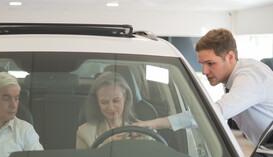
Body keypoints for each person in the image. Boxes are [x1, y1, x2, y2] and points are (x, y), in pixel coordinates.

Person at [134, 28, 273, 146]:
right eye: (202, 64)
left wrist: (153, 124)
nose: (205, 71)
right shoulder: (233, 77)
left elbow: (211, 115)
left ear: (230, 57)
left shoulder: (250, 77)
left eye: (210, 63)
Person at [76, 71, 149, 149]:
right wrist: (107, 144)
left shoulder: (144, 130)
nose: (111, 107)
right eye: (104, 102)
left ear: (125, 97)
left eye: (116, 101)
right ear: (97, 102)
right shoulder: (85, 132)